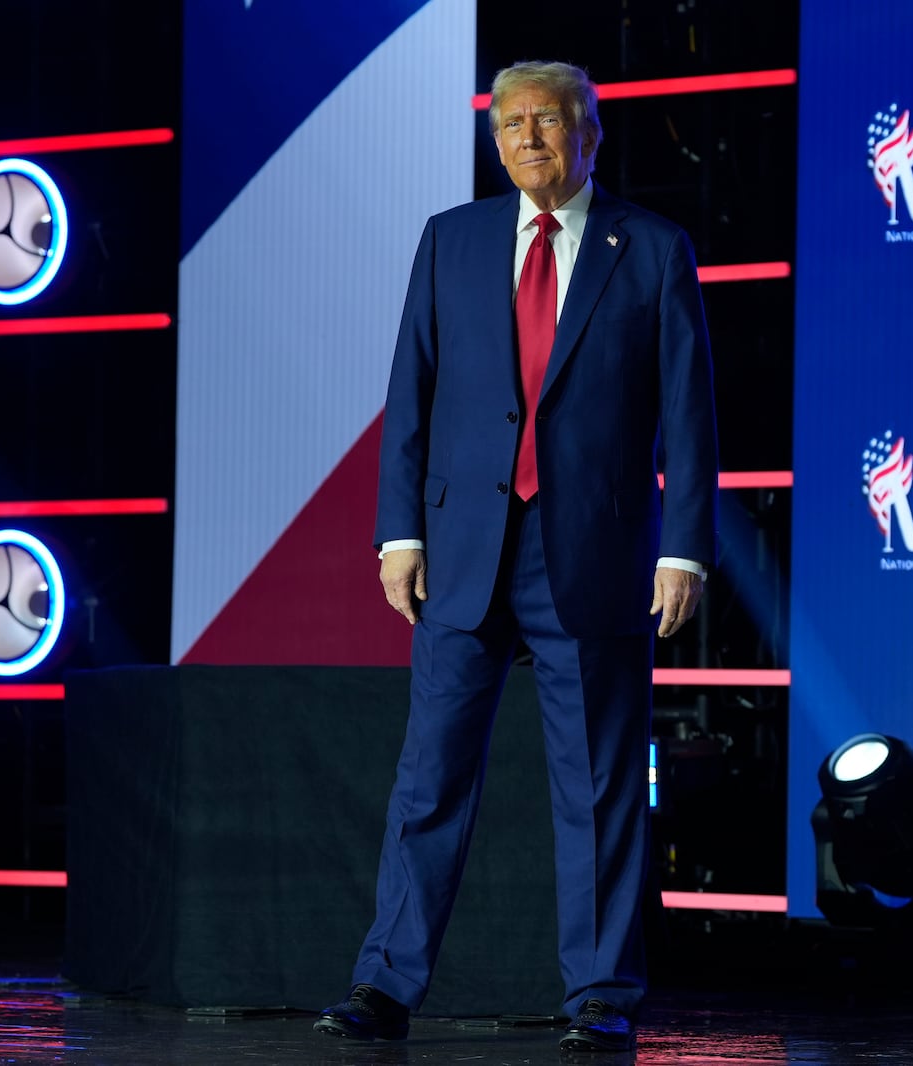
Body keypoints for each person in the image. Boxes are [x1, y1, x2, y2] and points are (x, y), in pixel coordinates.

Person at [313, 60, 718, 1053]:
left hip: (594, 548)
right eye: (510, 123)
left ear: (591, 135)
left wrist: (684, 553)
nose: (528, 137)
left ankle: (600, 994)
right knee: (430, 777)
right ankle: (384, 984)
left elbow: (690, 416)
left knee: (599, 788)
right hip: (459, 552)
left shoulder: (653, 248)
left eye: (549, 120)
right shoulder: (451, 240)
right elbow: (410, 388)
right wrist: (397, 532)